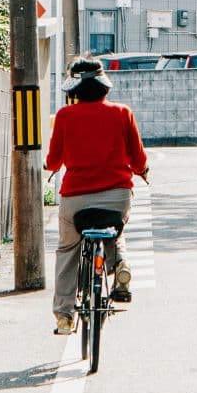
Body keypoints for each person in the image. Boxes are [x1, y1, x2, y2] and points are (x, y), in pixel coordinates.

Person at [45, 57, 149, 335]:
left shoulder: (65, 116)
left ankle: (64, 315)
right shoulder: (123, 113)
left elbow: (54, 161)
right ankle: (120, 265)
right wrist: (143, 171)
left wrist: (49, 166)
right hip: (117, 196)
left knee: (68, 249)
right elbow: (138, 159)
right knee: (116, 230)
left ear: (74, 89)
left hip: (76, 200)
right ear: (104, 86)